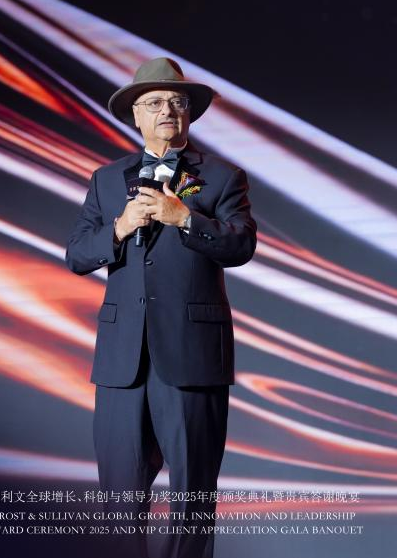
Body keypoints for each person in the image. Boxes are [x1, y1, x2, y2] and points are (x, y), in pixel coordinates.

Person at [65, 57, 257, 558]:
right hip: (122, 360)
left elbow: (241, 246)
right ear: (136, 116)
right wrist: (120, 228)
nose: (167, 110)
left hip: (192, 356)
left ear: (189, 113)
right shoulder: (107, 180)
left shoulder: (223, 177)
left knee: (192, 496)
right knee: (118, 498)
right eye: (154, 103)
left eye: (177, 102)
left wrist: (185, 218)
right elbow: (77, 255)